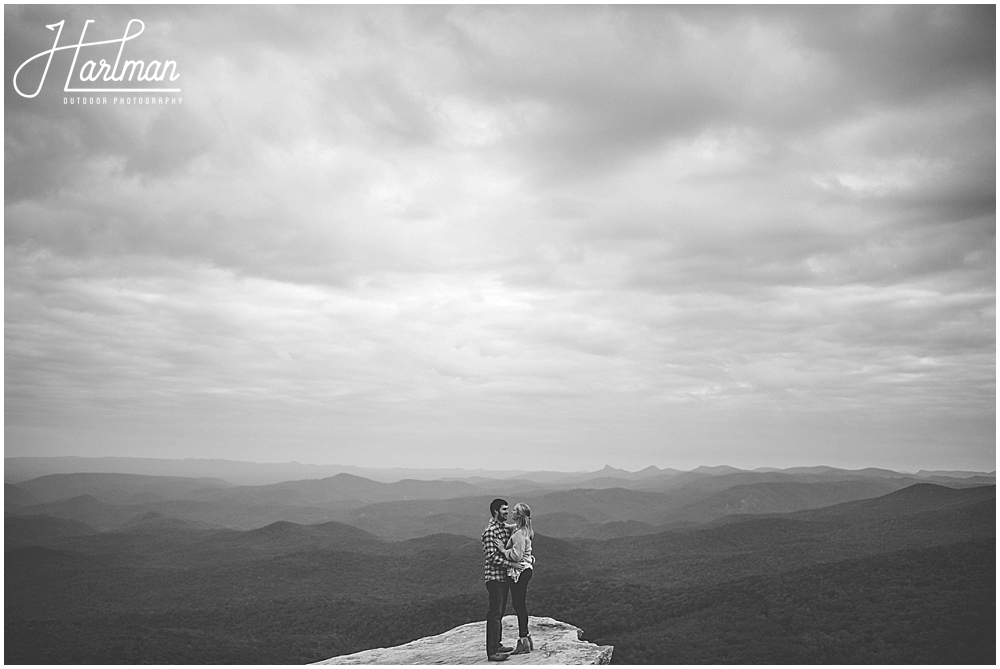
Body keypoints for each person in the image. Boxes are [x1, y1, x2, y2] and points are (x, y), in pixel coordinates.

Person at [494, 502, 535, 655]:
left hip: (520, 572)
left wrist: (503, 550)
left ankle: (523, 640)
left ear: (519, 515)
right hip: (526, 570)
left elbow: (516, 556)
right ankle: (527, 638)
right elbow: (509, 527)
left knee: (518, 605)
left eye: (514, 510)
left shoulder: (518, 534)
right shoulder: (522, 529)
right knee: (520, 604)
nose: (511, 511)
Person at [482, 498, 516, 661]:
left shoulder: (503, 528)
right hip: (494, 578)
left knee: (500, 613)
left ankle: (497, 644)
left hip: (503, 578)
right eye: (504, 509)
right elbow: (492, 557)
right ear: (496, 511)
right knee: (495, 613)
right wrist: (512, 564)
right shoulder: (490, 532)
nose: (507, 512)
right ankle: (492, 652)